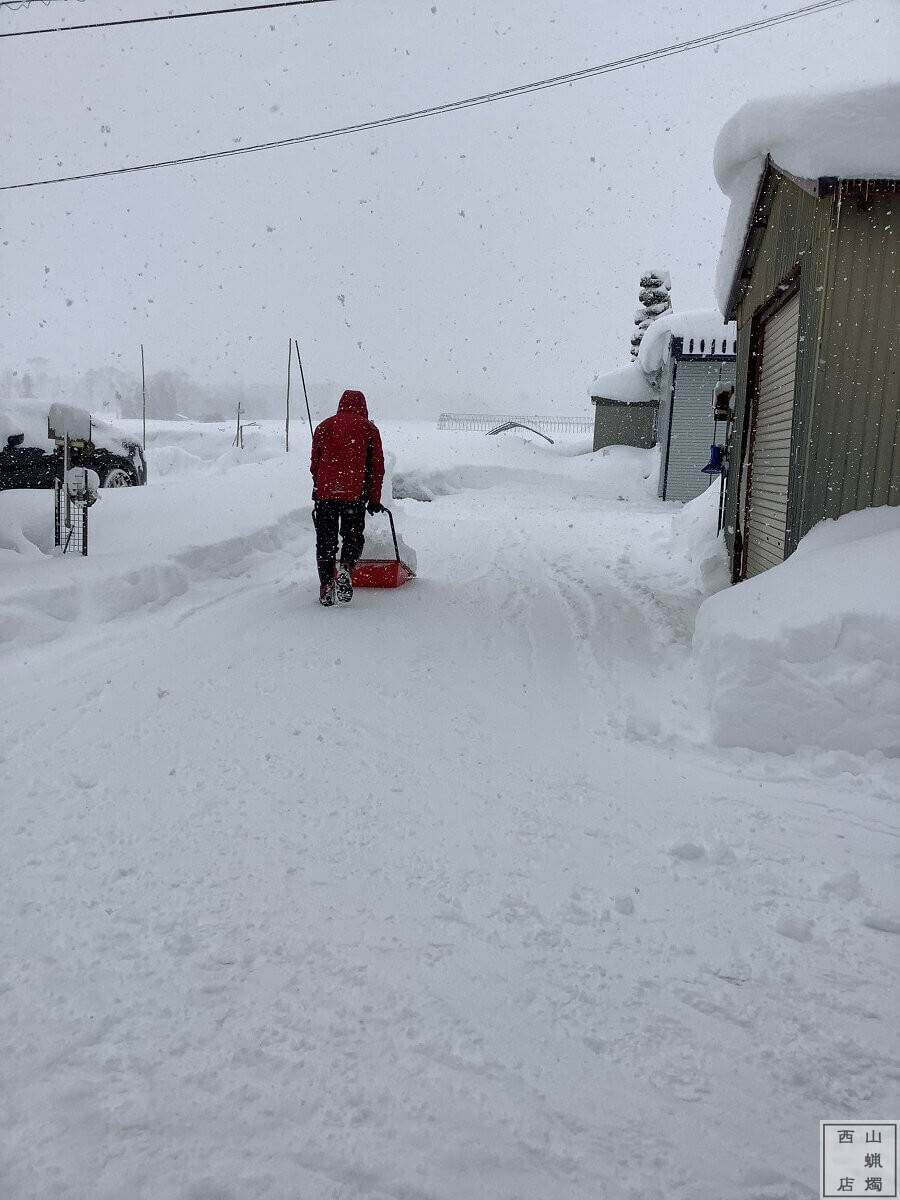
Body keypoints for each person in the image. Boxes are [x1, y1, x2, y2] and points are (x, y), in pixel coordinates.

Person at [310, 389, 385, 606]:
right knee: (352, 537)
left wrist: (320, 484)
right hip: (354, 494)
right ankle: (346, 568)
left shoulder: (324, 426)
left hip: (326, 495)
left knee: (325, 541)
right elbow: (376, 467)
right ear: (363, 406)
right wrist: (374, 498)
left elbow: (315, 463)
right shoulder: (368, 429)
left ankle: (326, 583)